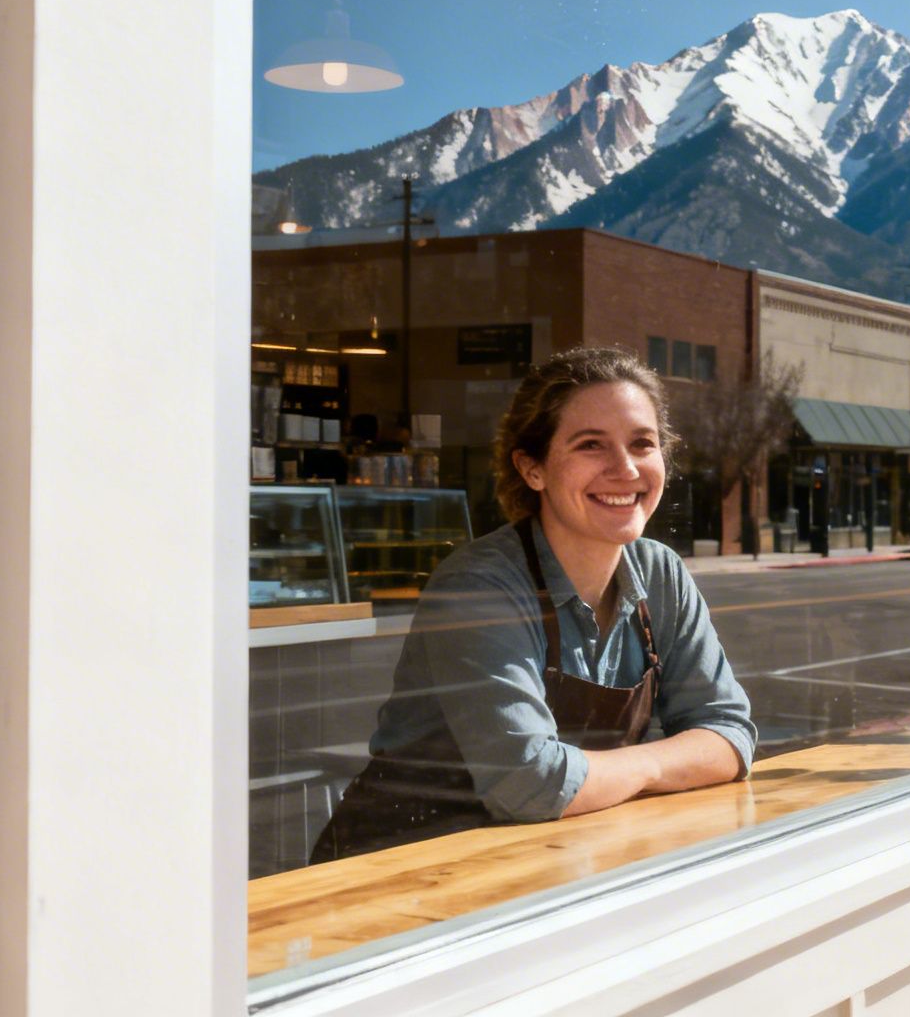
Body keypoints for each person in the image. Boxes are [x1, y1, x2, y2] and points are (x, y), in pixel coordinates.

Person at [313, 347, 756, 862]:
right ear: (533, 468)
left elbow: (730, 733)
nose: (625, 468)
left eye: (643, 443)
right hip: (397, 873)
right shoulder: (480, 586)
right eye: (591, 445)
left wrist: (606, 772)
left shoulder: (661, 574)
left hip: (545, 860)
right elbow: (531, 783)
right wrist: (663, 763)